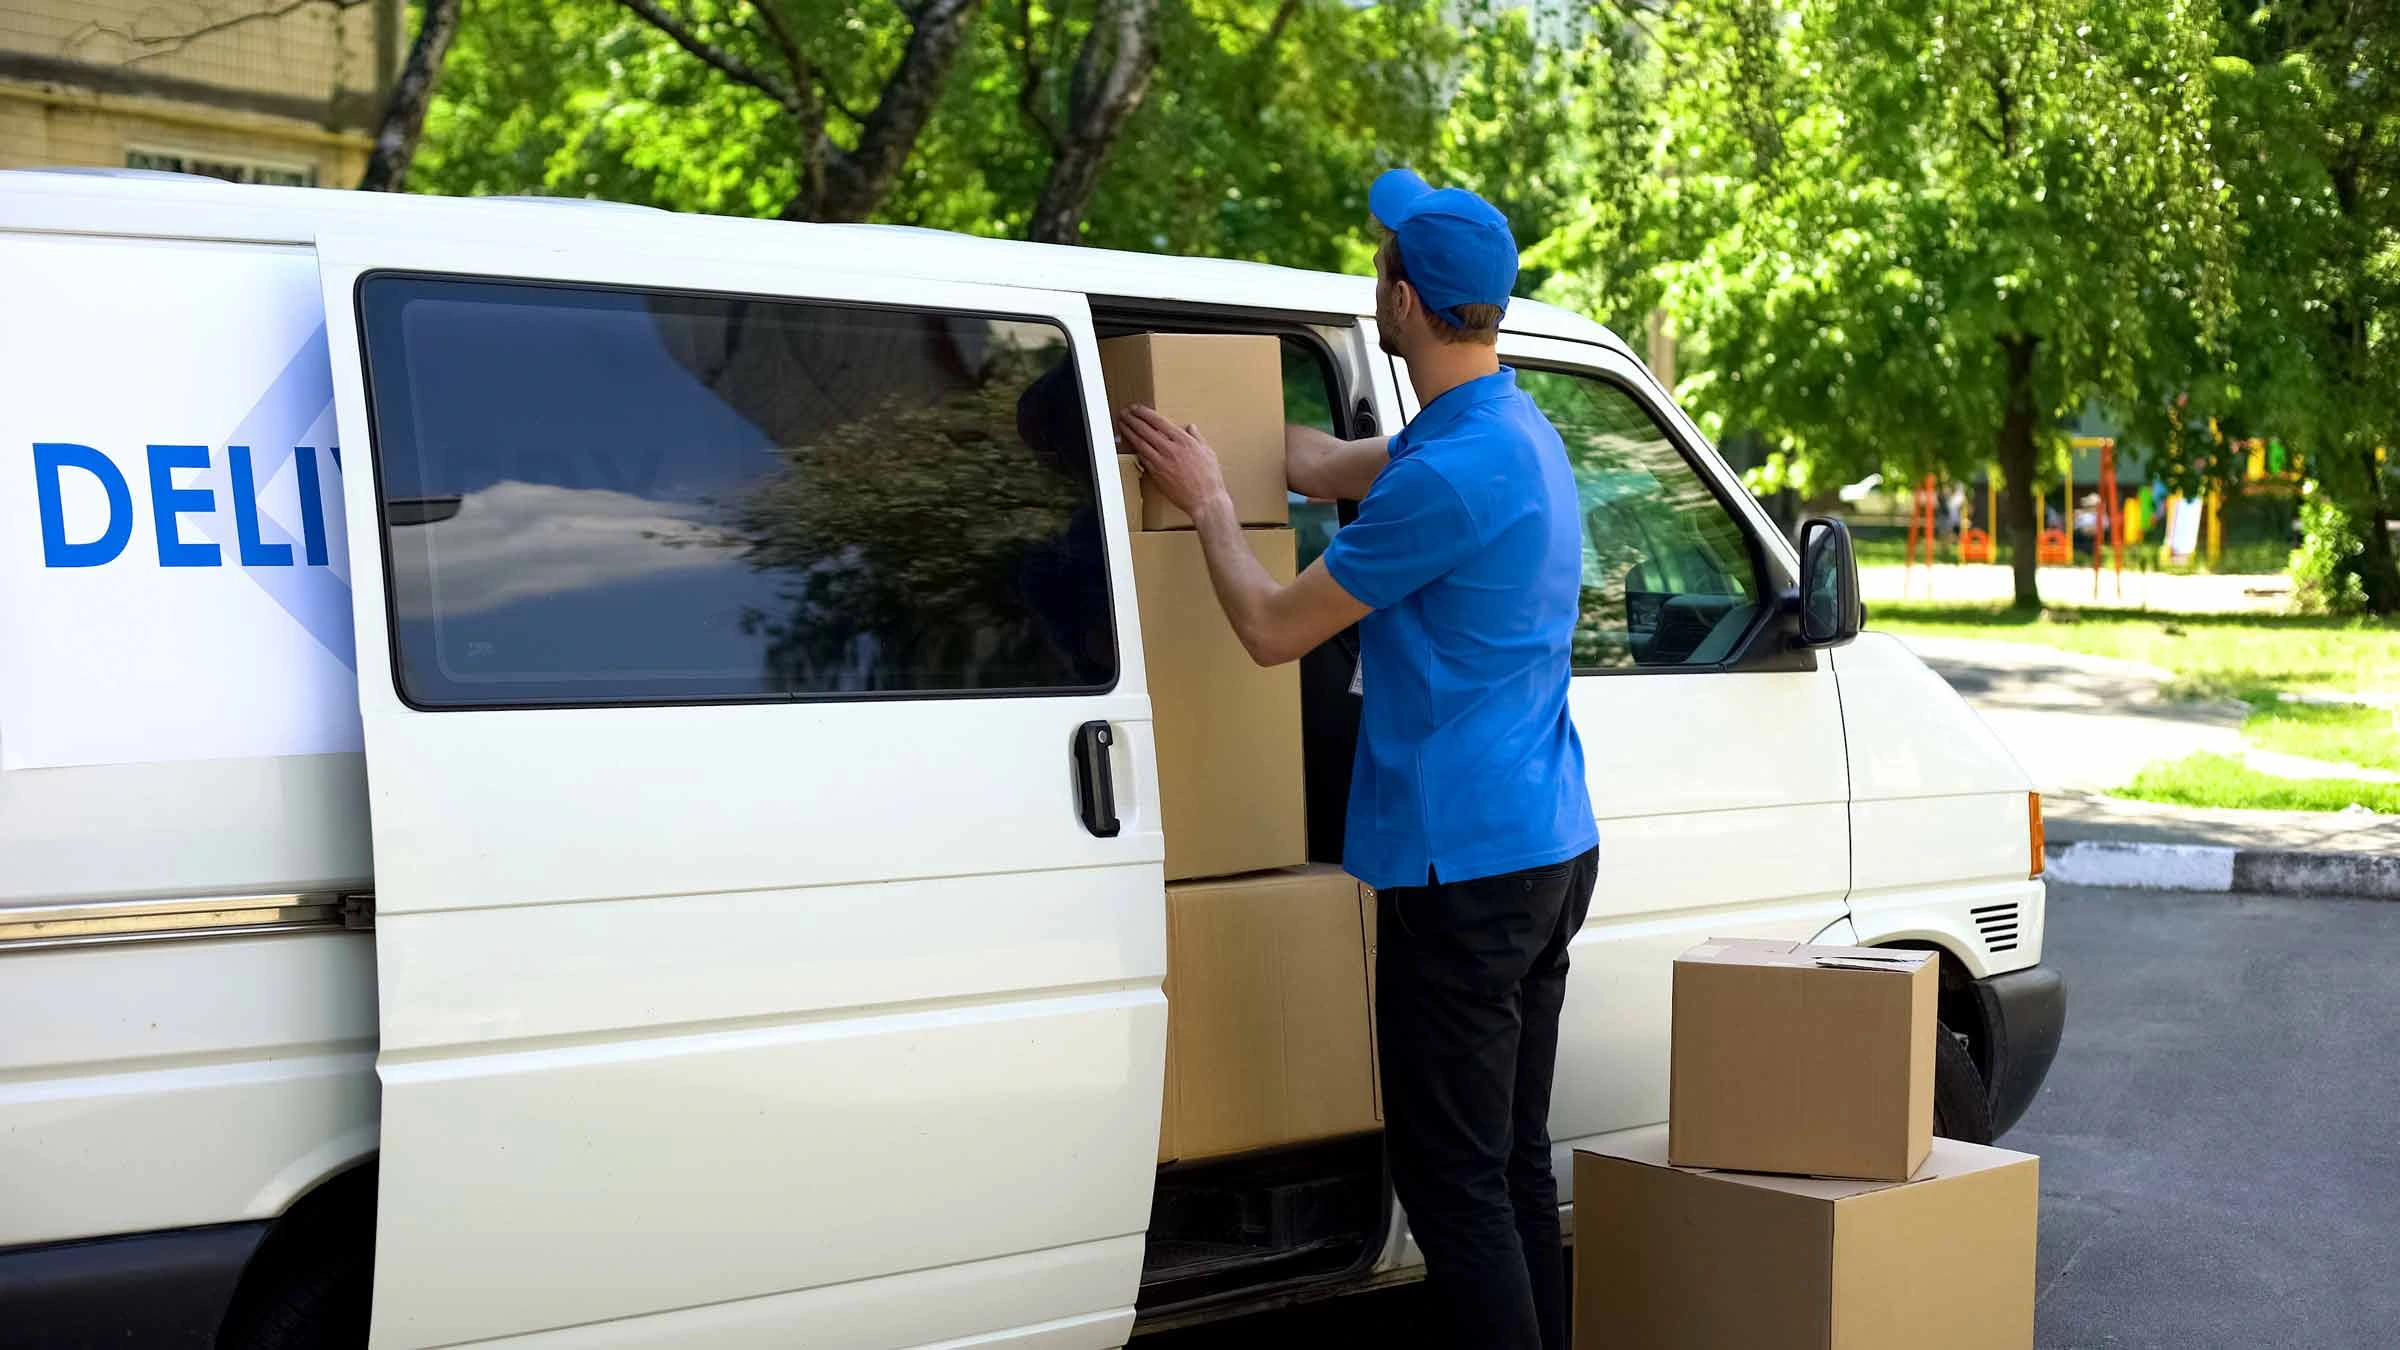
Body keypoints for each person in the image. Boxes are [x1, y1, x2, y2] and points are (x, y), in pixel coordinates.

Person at [1116, 168, 1599, 1350]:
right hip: (1544, 845)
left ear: (1404, 300)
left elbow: (1274, 630)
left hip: (1466, 874)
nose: (1371, 274)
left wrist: (1212, 510)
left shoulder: (1446, 476)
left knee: (1452, 1189)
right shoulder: (1502, 427)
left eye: (1382, 262)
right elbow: (1332, 465)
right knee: (1512, 1166)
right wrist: (1198, 425)